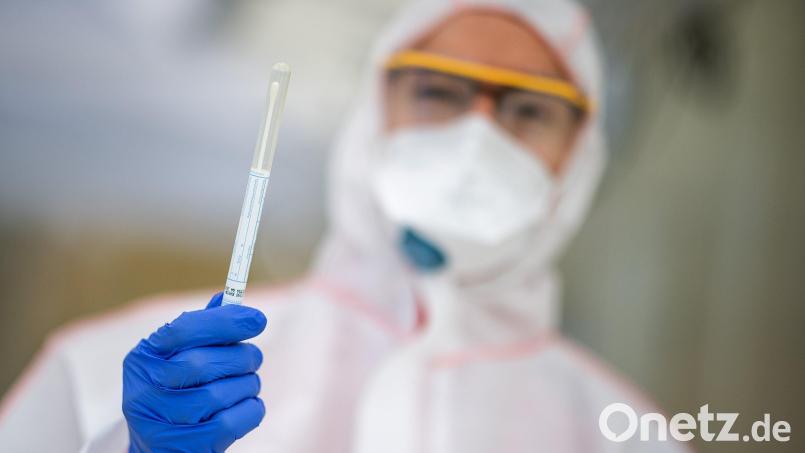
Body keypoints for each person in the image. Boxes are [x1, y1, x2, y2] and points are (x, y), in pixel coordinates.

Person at [0, 0, 689, 452]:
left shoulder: (626, 433)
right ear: (369, 116)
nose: (477, 139)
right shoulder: (114, 374)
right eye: (438, 92)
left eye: (527, 111)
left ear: (581, 154)